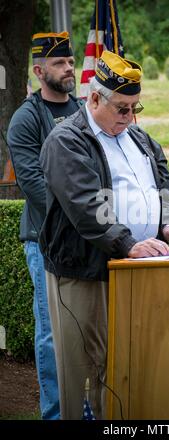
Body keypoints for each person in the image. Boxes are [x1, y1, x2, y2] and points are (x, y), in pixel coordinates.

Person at [39, 50, 169, 420]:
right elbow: (85, 204)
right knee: (84, 373)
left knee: (125, 367)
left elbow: (163, 185)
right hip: (85, 271)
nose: (130, 117)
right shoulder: (67, 140)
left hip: (134, 269)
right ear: (94, 98)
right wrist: (128, 243)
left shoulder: (139, 138)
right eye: (122, 108)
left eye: (136, 108)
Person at [7, 31, 82, 420]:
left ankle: (86, 408)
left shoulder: (85, 108)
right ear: (39, 70)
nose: (69, 68)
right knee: (53, 334)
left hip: (89, 239)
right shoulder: (26, 118)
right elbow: (32, 182)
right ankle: (55, 413)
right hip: (45, 241)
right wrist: (81, 218)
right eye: (59, 63)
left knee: (89, 331)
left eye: (70, 62)